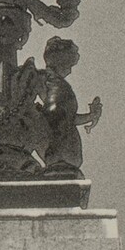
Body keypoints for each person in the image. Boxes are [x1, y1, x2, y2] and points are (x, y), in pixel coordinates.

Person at [38, 37, 102, 177]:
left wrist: (91, 116)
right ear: (58, 59)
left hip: (66, 137)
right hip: (55, 136)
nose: (70, 71)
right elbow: (56, 113)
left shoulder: (61, 84)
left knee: (70, 165)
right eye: (68, 65)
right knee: (60, 167)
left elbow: (69, 117)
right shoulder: (45, 77)